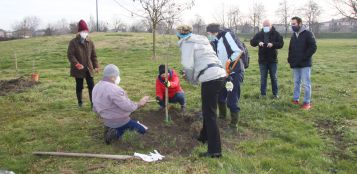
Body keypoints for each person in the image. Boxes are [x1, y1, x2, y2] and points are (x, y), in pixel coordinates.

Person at [176, 24, 226, 158]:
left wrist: (191, 80)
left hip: (210, 78)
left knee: (210, 114)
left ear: (179, 34)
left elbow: (188, 66)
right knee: (208, 109)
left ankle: (215, 151)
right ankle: (204, 137)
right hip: (220, 74)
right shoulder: (202, 39)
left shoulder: (187, 44)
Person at [92, 64, 150, 144]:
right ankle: (115, 133)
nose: (118, 77)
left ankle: (111, 128)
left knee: (132, 123)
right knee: (143, 130)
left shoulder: (96, 86)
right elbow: (128, 106)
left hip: (106, 119)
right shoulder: (114, 89)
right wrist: (140, 103)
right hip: (119, 120)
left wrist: (123, 96)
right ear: (113, 76)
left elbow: (95, 107)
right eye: (117, 75)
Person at [206, 23, 244, 131]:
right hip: (222, 73)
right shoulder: (215, 41)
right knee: (220, 96)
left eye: (209, 33)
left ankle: (233, 125)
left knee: (232, 99)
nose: (208, 36)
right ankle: (222, 118)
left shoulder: (226, 36)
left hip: (234, 73)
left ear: (214, 32)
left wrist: (229, 62)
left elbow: (238, 51)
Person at [67, 19, 99, 108]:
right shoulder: (73, 42)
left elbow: (94, 56)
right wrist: (76, 64)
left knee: (92, 86)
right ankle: (80, 103)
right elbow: (70, 55)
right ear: (79, 32)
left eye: (86, 31)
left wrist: (96, 66)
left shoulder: (90, 42)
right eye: (83, 31)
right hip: (78, 69)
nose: (85, 33)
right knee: (79, 86)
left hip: (89, 68)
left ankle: (93, 104)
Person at [288, 16, 317, 110]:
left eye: (294, 24)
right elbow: (291, 48)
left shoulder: (308, 33)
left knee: (306, 83)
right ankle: (295, 99)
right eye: (291, 24)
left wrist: (304, 57)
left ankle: (306, 102)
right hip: (296, 63)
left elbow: (313, 47)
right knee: (296, 82)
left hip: (305, 63)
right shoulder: (293, 35)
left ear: (299, 24)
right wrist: (290, 59)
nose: (292, 26)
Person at [250, 19, 284, 98]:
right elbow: (252, 42)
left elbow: (281, 44)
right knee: (263, 78)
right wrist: (258, 42)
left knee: (274, 78)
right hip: (262, 60)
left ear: (271, 25)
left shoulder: (276, 34)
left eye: (267, 25)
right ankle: (263, 94)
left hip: (273, 60)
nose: (266, 27)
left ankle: (275, 94)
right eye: (264, 26)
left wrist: (273, 44)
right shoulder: (259, 34)